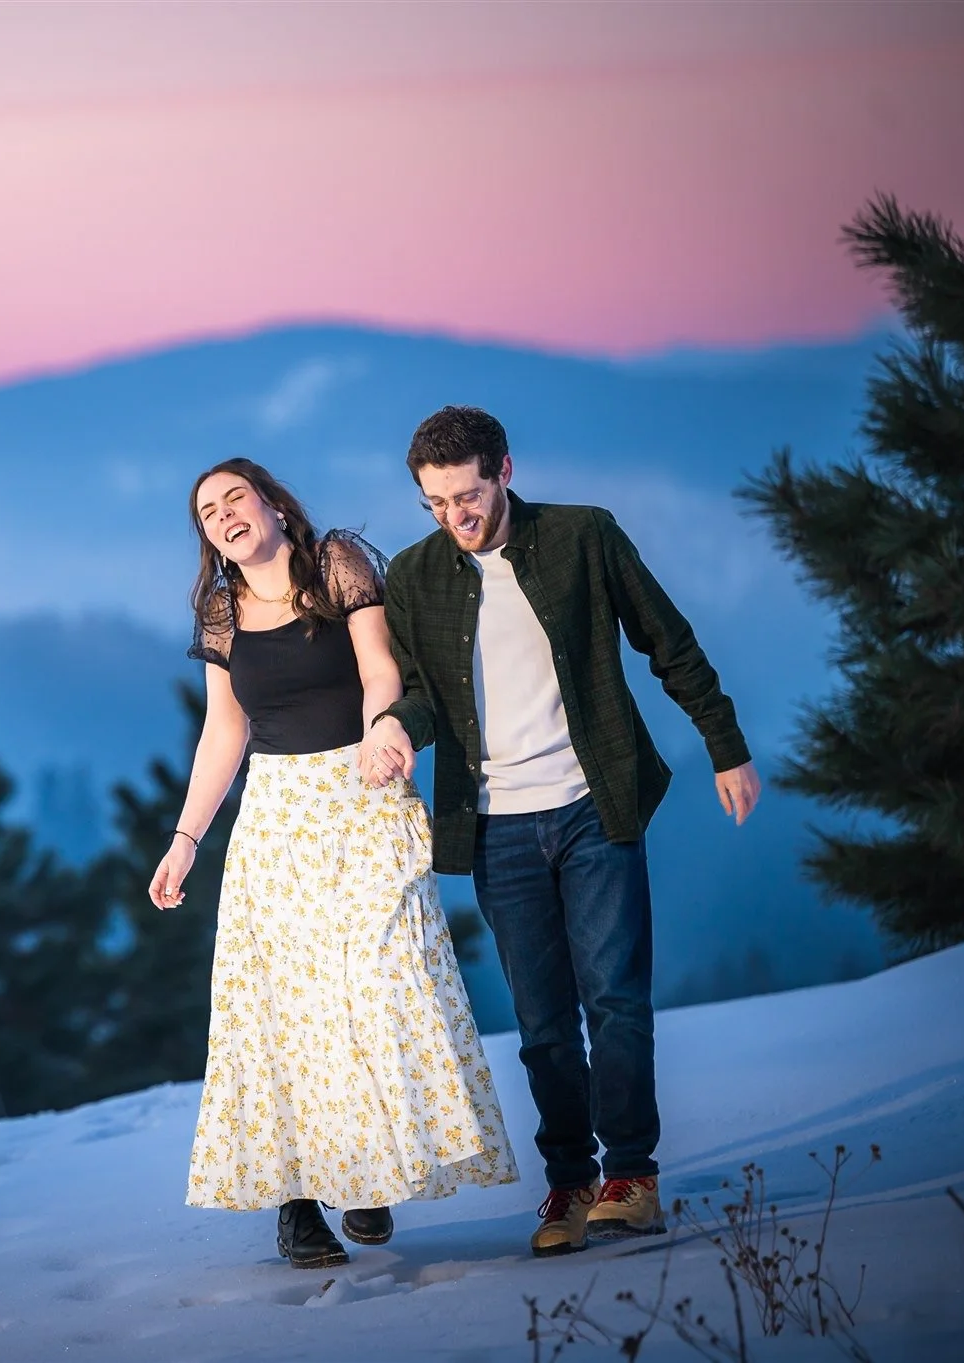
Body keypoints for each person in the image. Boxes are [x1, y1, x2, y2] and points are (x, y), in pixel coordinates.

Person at [366, 406, 761, 1258]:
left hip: (593, 804)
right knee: (543, 1023)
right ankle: (570, 1182)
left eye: (467, 496)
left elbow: (669, 641)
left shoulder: (584, 536)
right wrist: (397, 725)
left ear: (504, 469)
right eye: (435, 504)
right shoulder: (415, 574)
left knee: (614, 996)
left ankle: (631, 1175)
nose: (455, 517)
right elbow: (428, 696)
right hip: (497, 825)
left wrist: (724, 745)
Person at [150, 457, 517, 1270]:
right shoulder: (220, 608)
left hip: (359, 789)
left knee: (380, 985)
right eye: (208, 512)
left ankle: (366, 1171)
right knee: (280, 1010)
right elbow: (224, 729)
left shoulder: (337, 562)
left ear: (276, 503)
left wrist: (385, 732)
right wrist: (186, 838)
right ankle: (298, 1204)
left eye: (236, 497)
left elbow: (379, 665)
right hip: (276, 816)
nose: (224, 516)